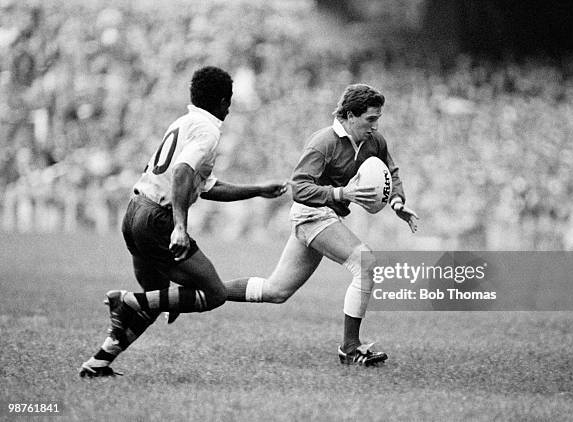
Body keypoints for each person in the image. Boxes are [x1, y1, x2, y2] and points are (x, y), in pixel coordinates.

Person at [79, 66, 287, 377]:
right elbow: (181, 173)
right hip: (156, 220)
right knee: (214, 294)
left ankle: (98, 363)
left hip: (136, 211)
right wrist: (180, 226)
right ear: (221, 101)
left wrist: (257, 189)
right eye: (228, 102)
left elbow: (206, 186)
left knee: (155, 300)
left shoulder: (184, 122)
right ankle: (125, 300)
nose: (229, 109)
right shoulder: (208, 130)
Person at [224, 84, 419, 366]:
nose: (376, 127)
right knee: (365, 262)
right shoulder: (323, 142)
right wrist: (340, 194)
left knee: (276, 291)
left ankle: (205, 291)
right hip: (310, 214)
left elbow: (391, 171)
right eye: (371, 119)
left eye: (378, 119)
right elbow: (299, 188)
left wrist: (398, 202)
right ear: (350, 115)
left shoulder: (373, 142)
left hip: (327, 217)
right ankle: (350, 348)